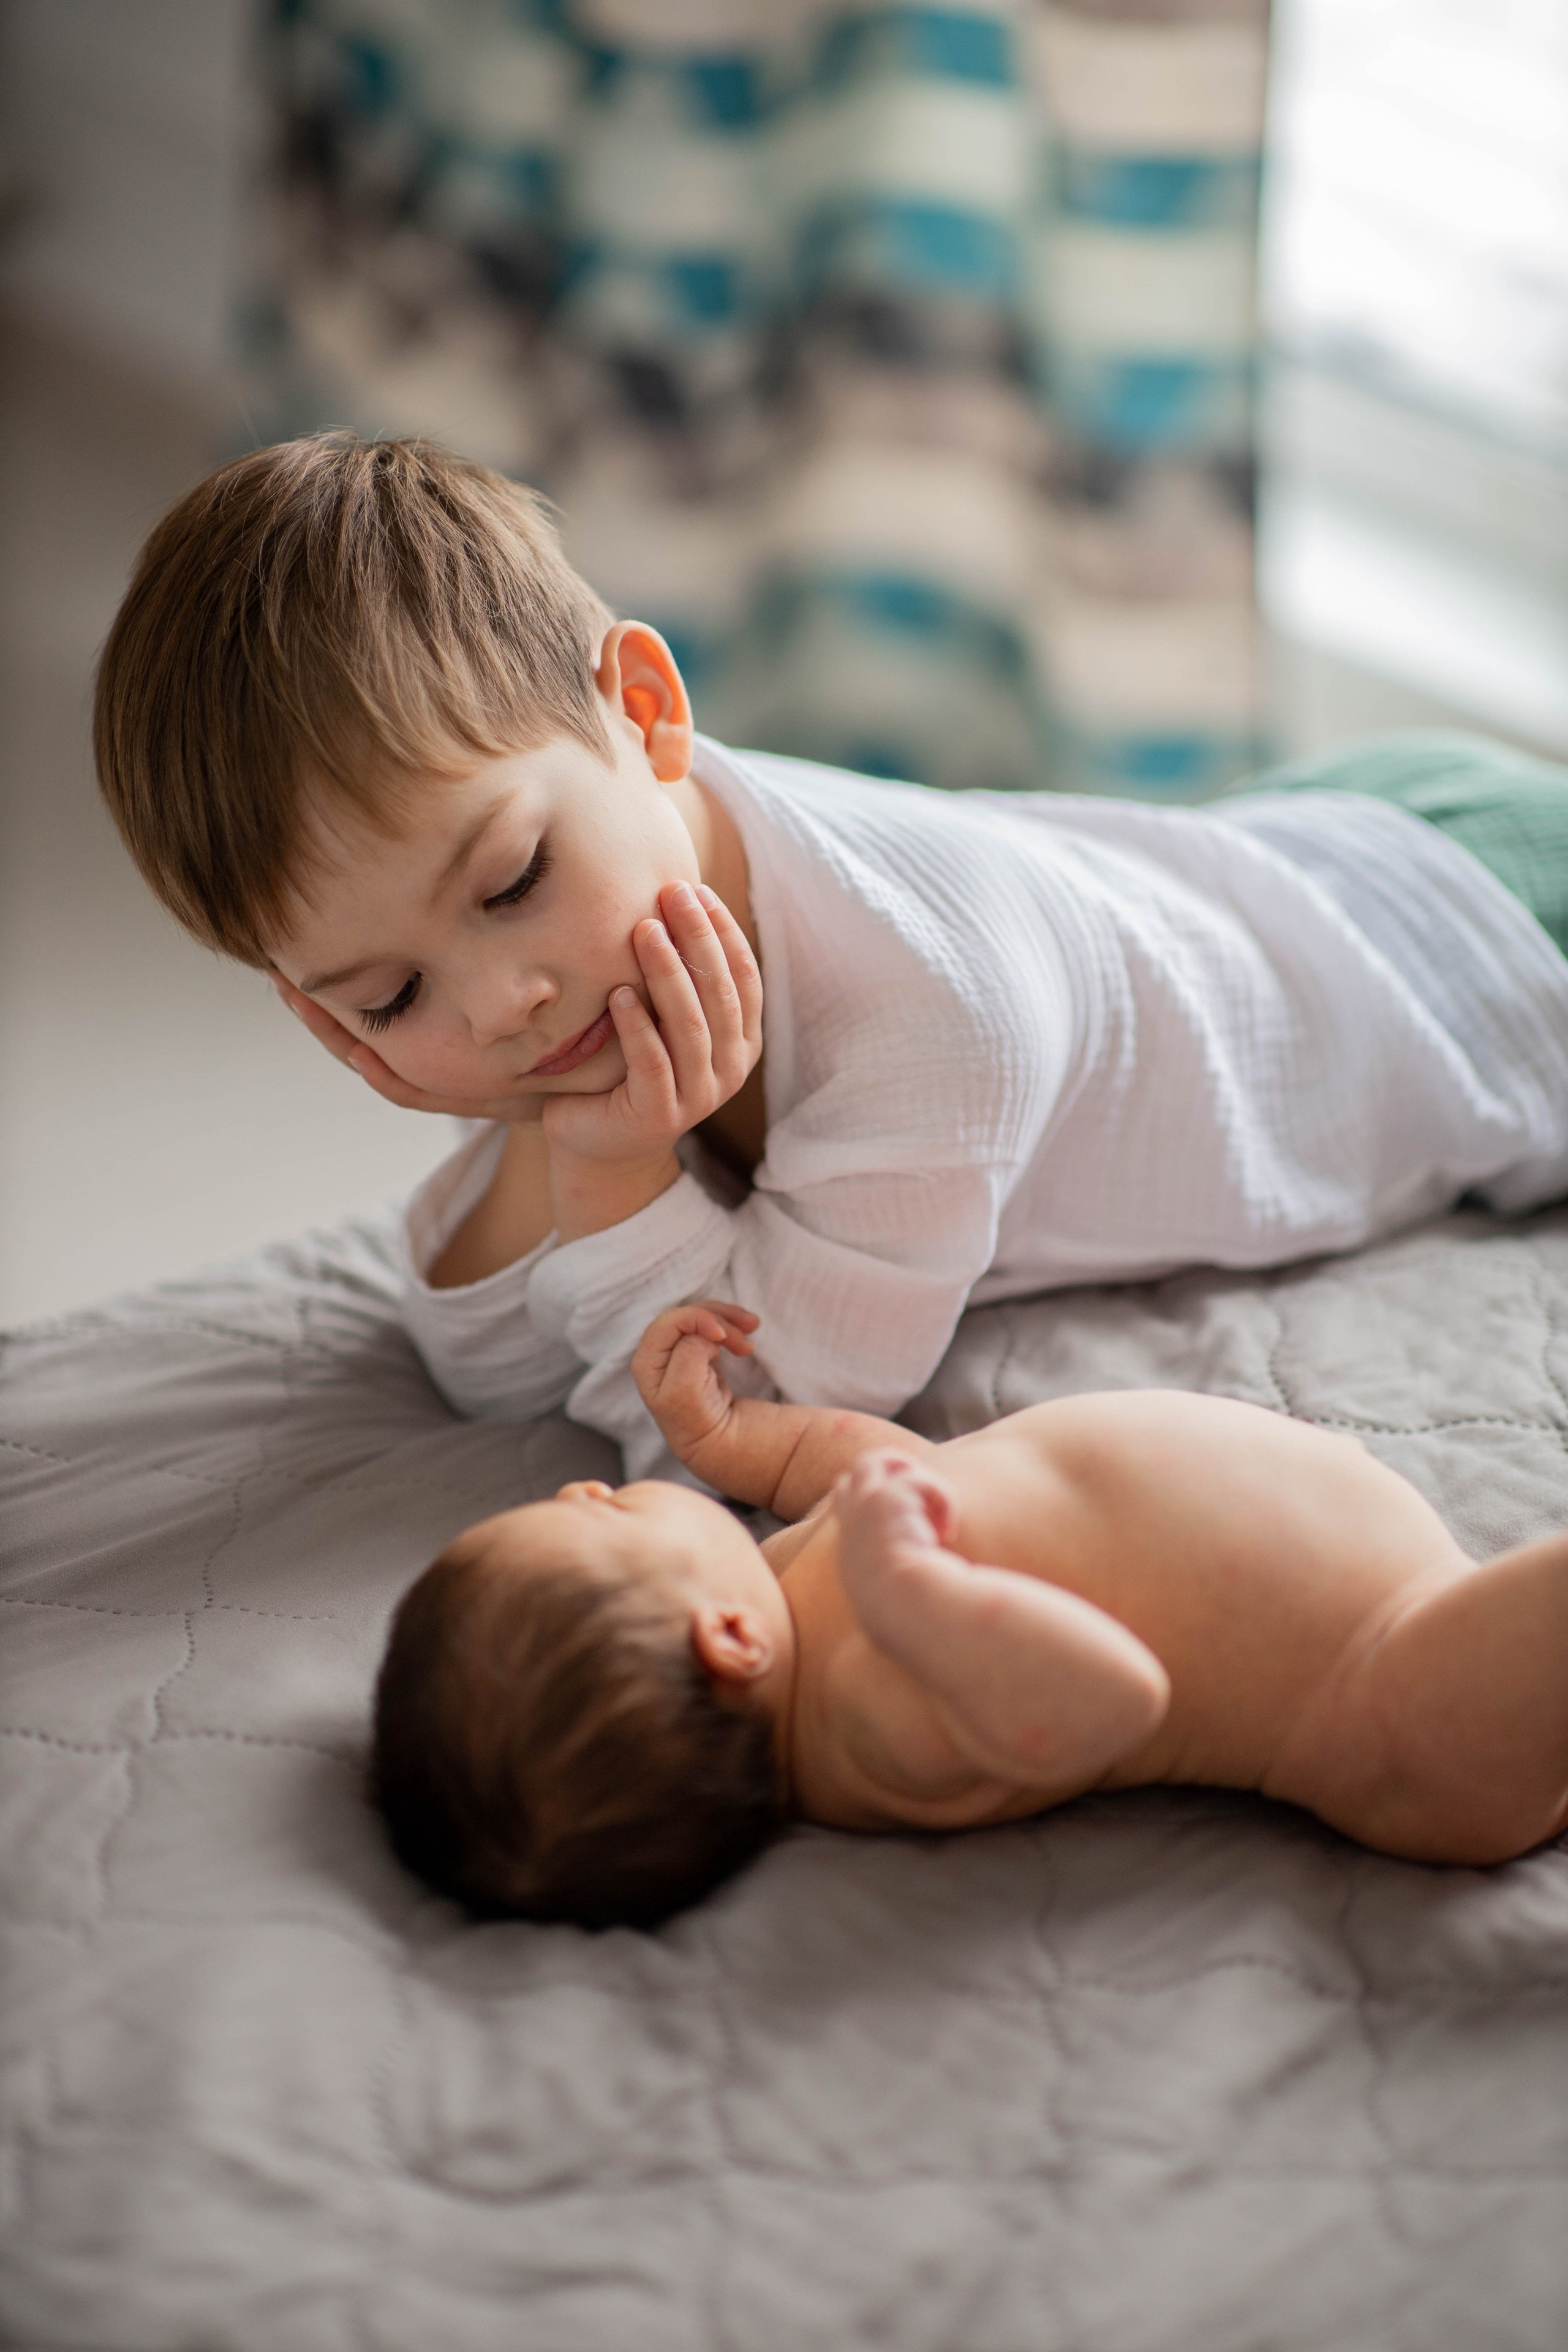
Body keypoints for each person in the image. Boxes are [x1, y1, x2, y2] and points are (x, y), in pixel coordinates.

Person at [94, 431, 1568, 1478]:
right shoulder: (593, 971)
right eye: (387, 997)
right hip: (1288, 855)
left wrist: (606, 1177)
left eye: (513, 881)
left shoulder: (935, 1008)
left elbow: (747, 1407)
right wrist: (559, 1138)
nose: (501, 1007)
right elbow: (481, 1361)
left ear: (646, 709)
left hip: (1473, 945)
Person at [371, 1298, 1568, 1927]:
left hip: (1378, 1581)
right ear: (724, 1644)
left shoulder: (789, 1581)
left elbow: (868, 1473)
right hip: (1388, 1702)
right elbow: (1109, 1701)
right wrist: (918, 1594)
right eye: (599, 1516)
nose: (588, 1485)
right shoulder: (870, 1727)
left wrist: (733, 1439)